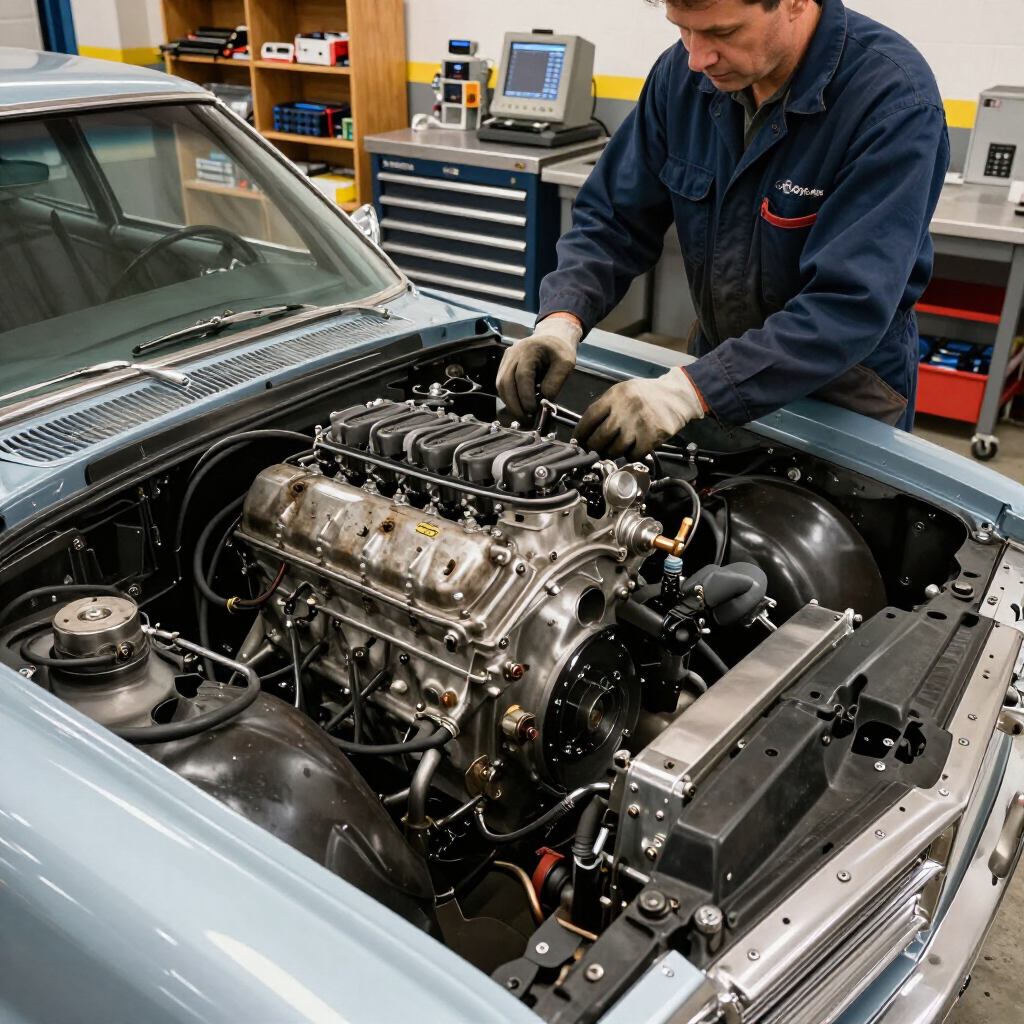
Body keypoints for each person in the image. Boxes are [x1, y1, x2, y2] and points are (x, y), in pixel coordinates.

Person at [496, 0, 949, 459]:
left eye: (724, 33)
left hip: (843, 392)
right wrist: (561, 320)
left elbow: (847, 305)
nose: (698, 57)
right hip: (715, 367)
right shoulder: (683, 76)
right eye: (683, 30)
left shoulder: (893, 100)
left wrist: (687, 393)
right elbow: (612, 219)